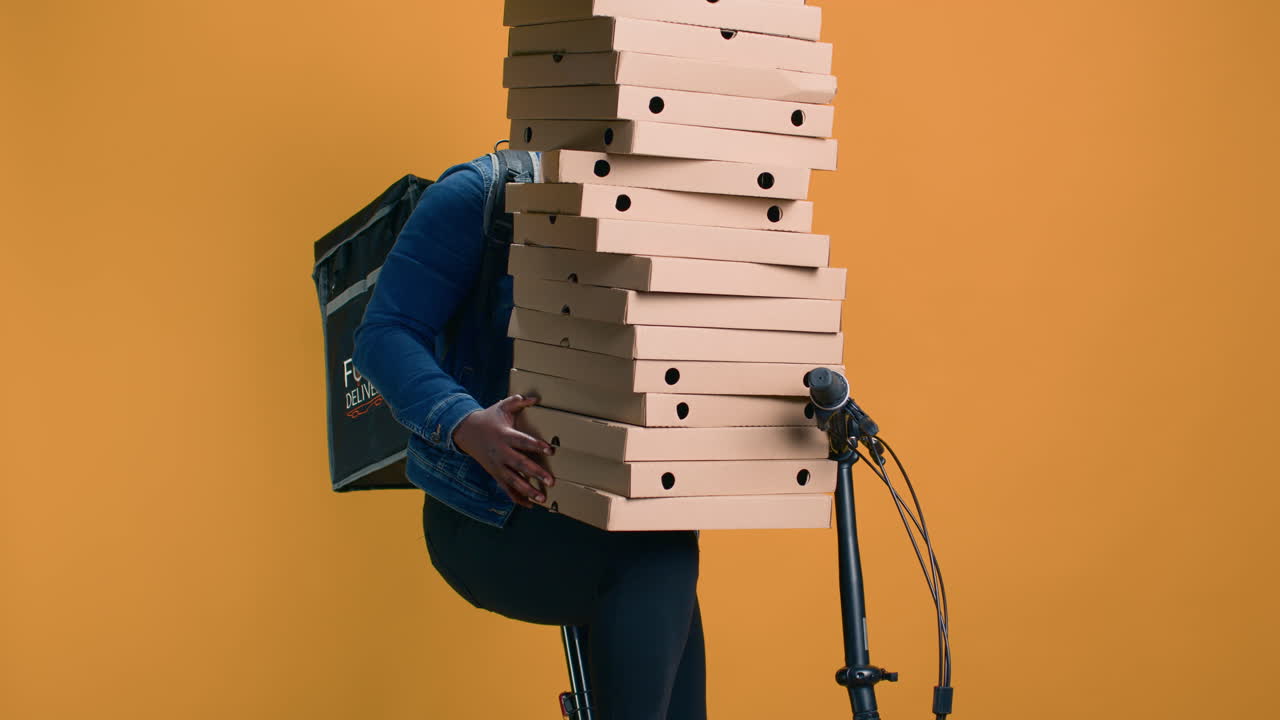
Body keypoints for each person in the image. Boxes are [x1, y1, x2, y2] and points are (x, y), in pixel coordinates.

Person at [352, 149, 707, 720]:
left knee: (662, 554)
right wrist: (464, 423)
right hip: (487, 513)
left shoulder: (669, 208)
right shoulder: (481, 196)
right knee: (661, 552)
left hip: (610, 516)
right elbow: (383, 334)